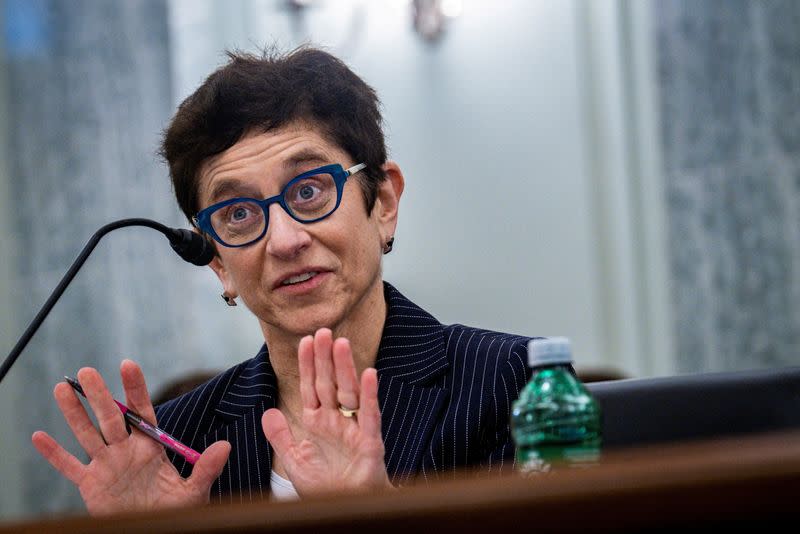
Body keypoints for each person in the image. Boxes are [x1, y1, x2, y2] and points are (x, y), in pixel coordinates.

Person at [31, 45, 533, 514]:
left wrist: (376, 514)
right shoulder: (176, 441)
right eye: (240, 214)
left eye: (310, 190)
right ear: (218, 262)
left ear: (383, 203)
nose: (285, 240)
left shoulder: (511, 382)